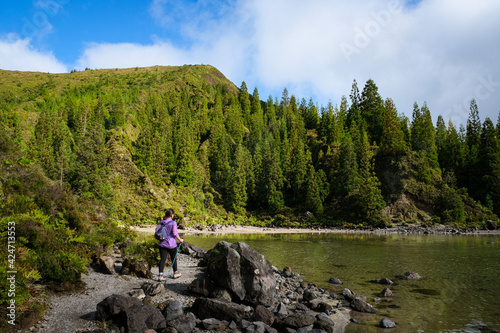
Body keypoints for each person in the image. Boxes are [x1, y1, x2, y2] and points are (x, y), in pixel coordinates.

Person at [156, 208, 183, 281]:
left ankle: (160, 275)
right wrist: (180, 239)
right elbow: (174, 233)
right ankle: (175, 273)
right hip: (171, 244)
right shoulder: (173, 223)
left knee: (162, 259)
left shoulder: (161, 222)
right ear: (171, 215)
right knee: (173, 258)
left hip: (162, 243)